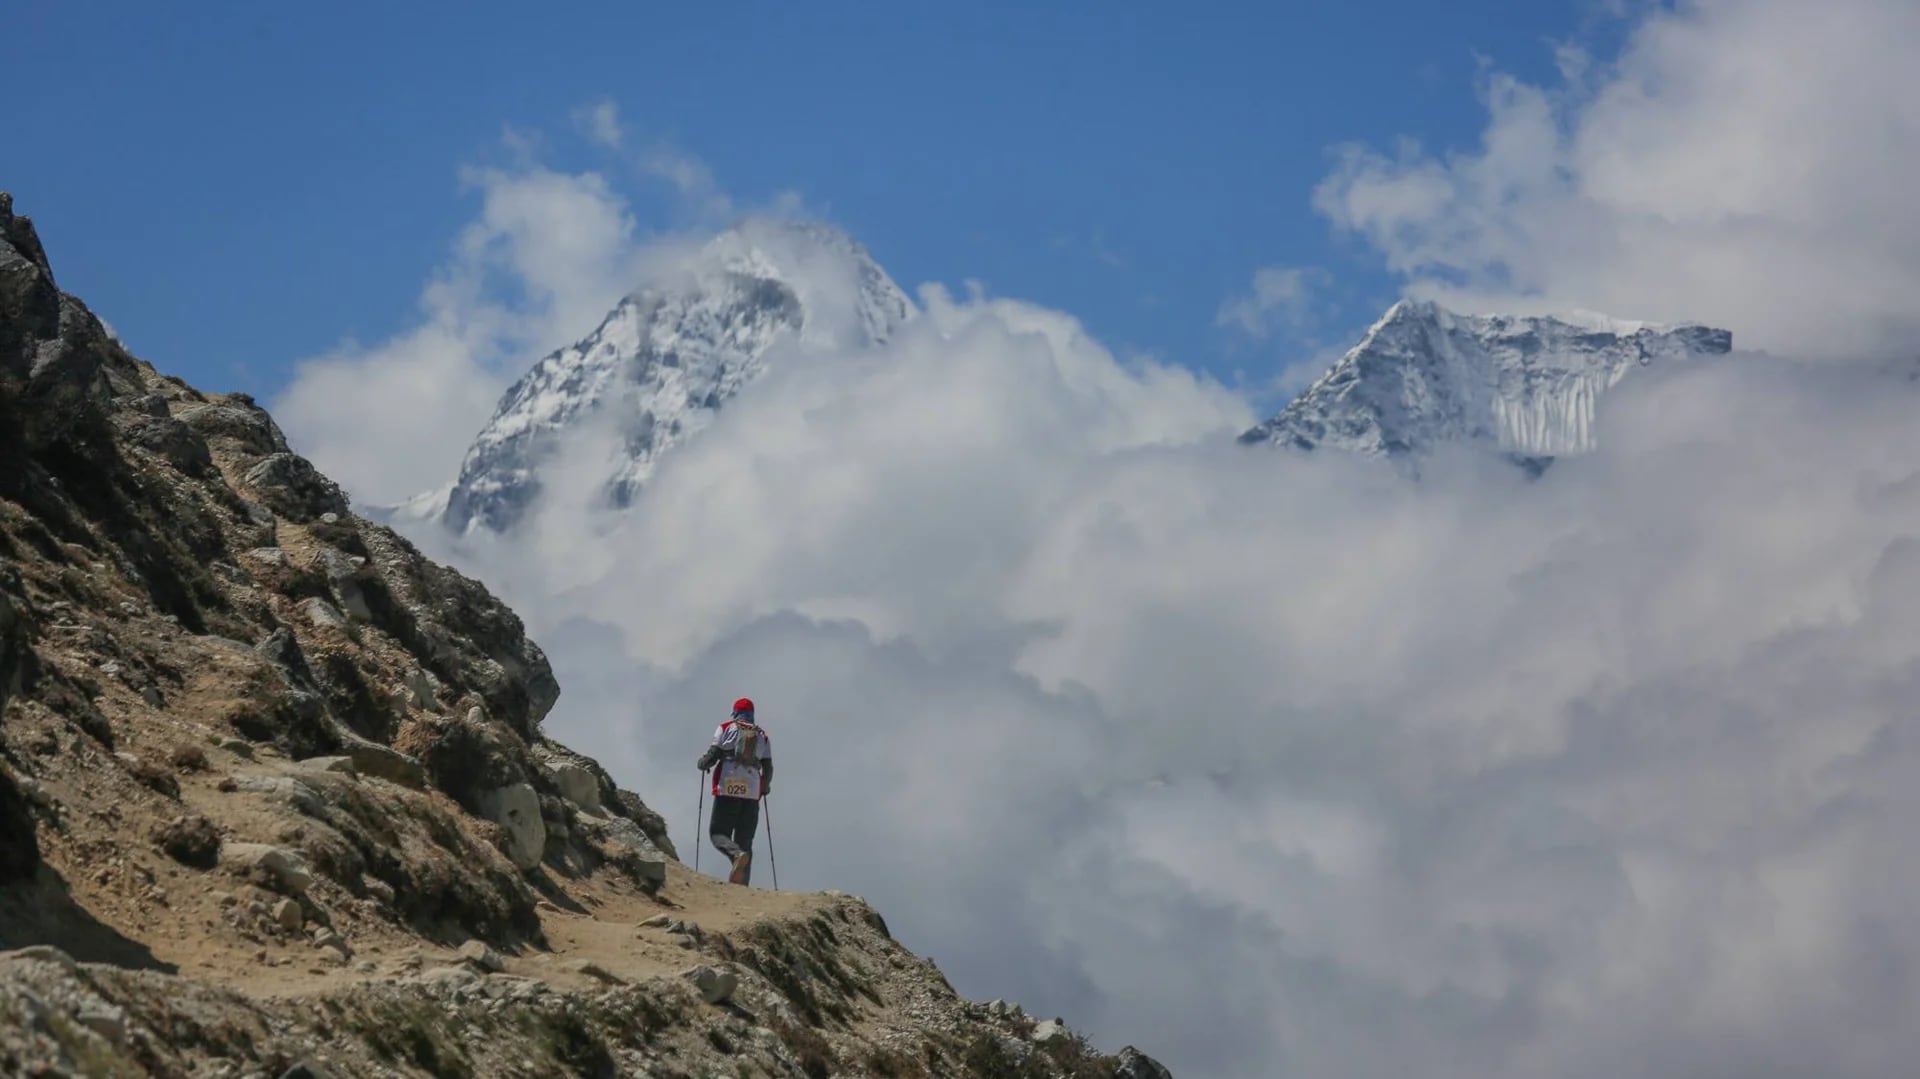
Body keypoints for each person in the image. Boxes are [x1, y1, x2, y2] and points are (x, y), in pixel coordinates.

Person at [696, 697, 773, 885]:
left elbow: (713, 755)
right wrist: (764, 788)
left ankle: (736, 854)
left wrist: (702, 764)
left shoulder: (725, 727)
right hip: (752, 790)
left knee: (718, 833)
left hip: (728, 784)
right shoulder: (762, 735)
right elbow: (768, 768)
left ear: (735, 713)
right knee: (745, 840)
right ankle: (742, 886)